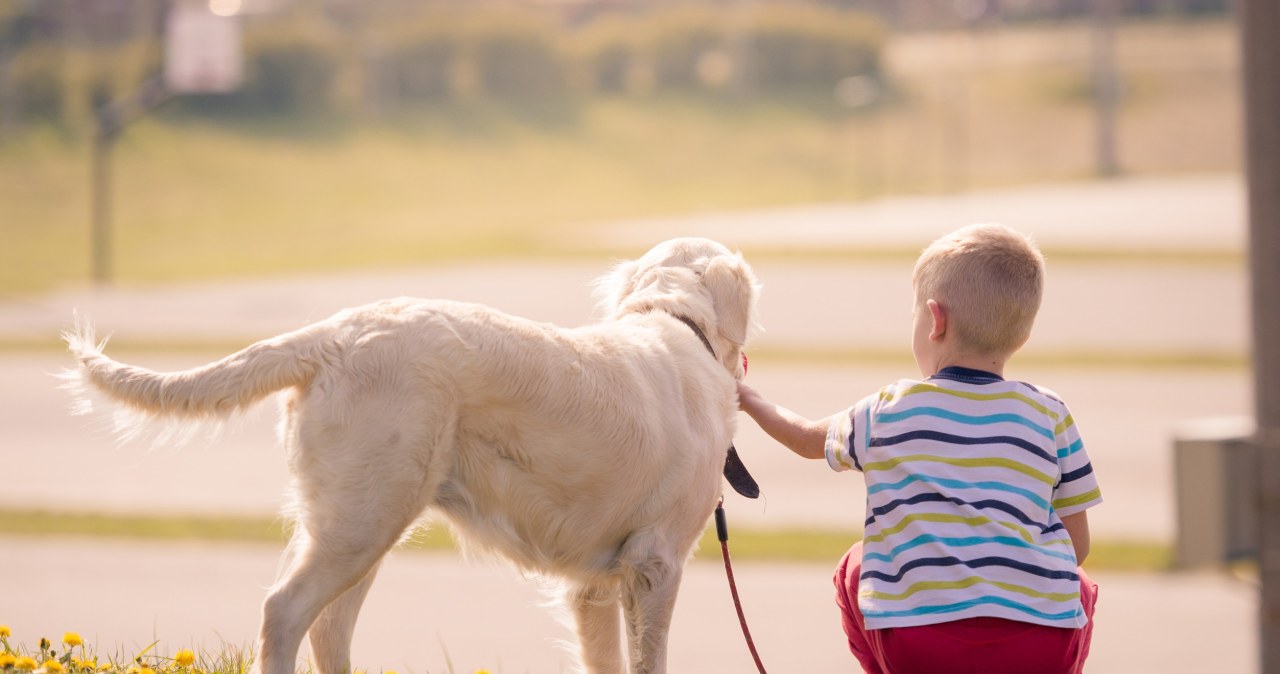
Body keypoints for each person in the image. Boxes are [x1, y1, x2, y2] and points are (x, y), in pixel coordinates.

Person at [736, 223, 1102, 674]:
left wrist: (748, 398)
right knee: (1077, 584)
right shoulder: (1051, 412)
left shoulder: (888, 408)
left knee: (856, 564)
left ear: (936, 320)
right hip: (1037, 646)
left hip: (919, 643)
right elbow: (1077, 544)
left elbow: (809, 439)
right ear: (1022, 335)